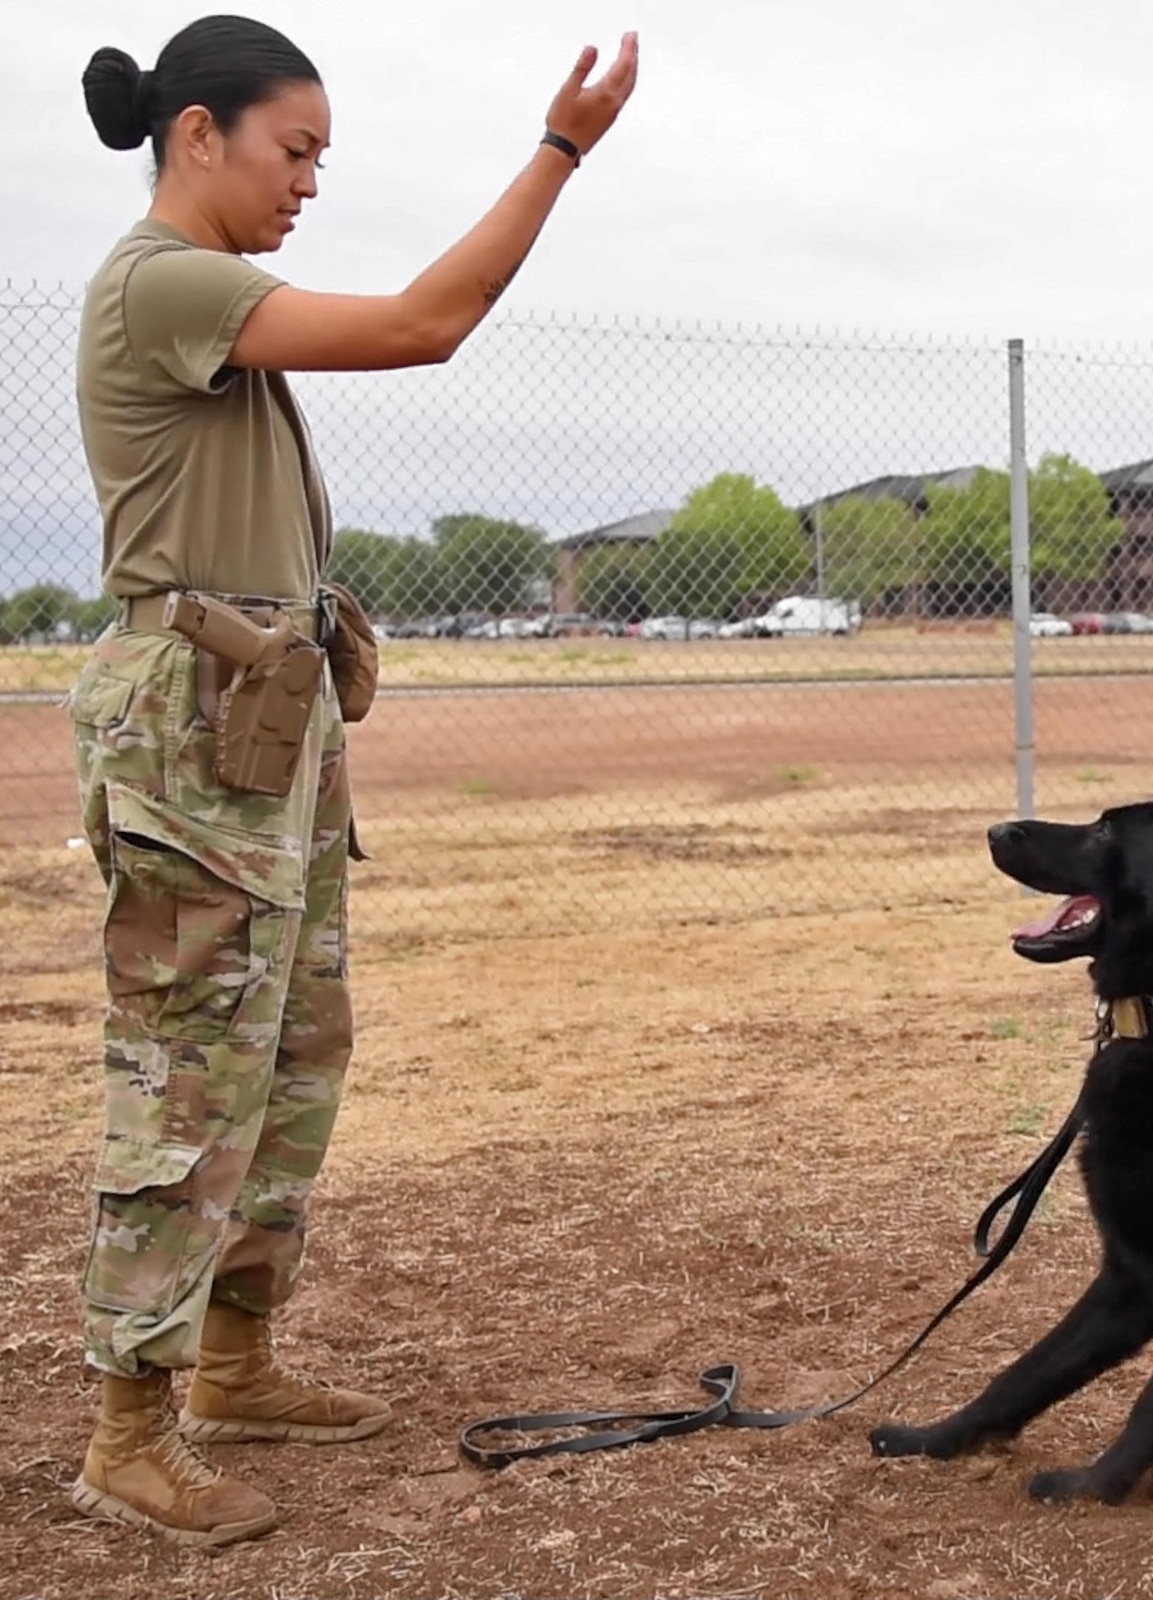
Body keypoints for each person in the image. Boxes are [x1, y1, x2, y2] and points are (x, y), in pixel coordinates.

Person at [65, 13, 638, 1547]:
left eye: (323, 157)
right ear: (200, 135)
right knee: (194, 1063)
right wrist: (561, 153)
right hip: (194, 718)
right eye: (293, 149)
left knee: (292, 1048)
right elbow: (423, 322)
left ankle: (235, 1362)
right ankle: (130, 1427)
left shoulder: (215, 299)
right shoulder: (164, 282)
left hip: (260, 711)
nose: (310, 181)